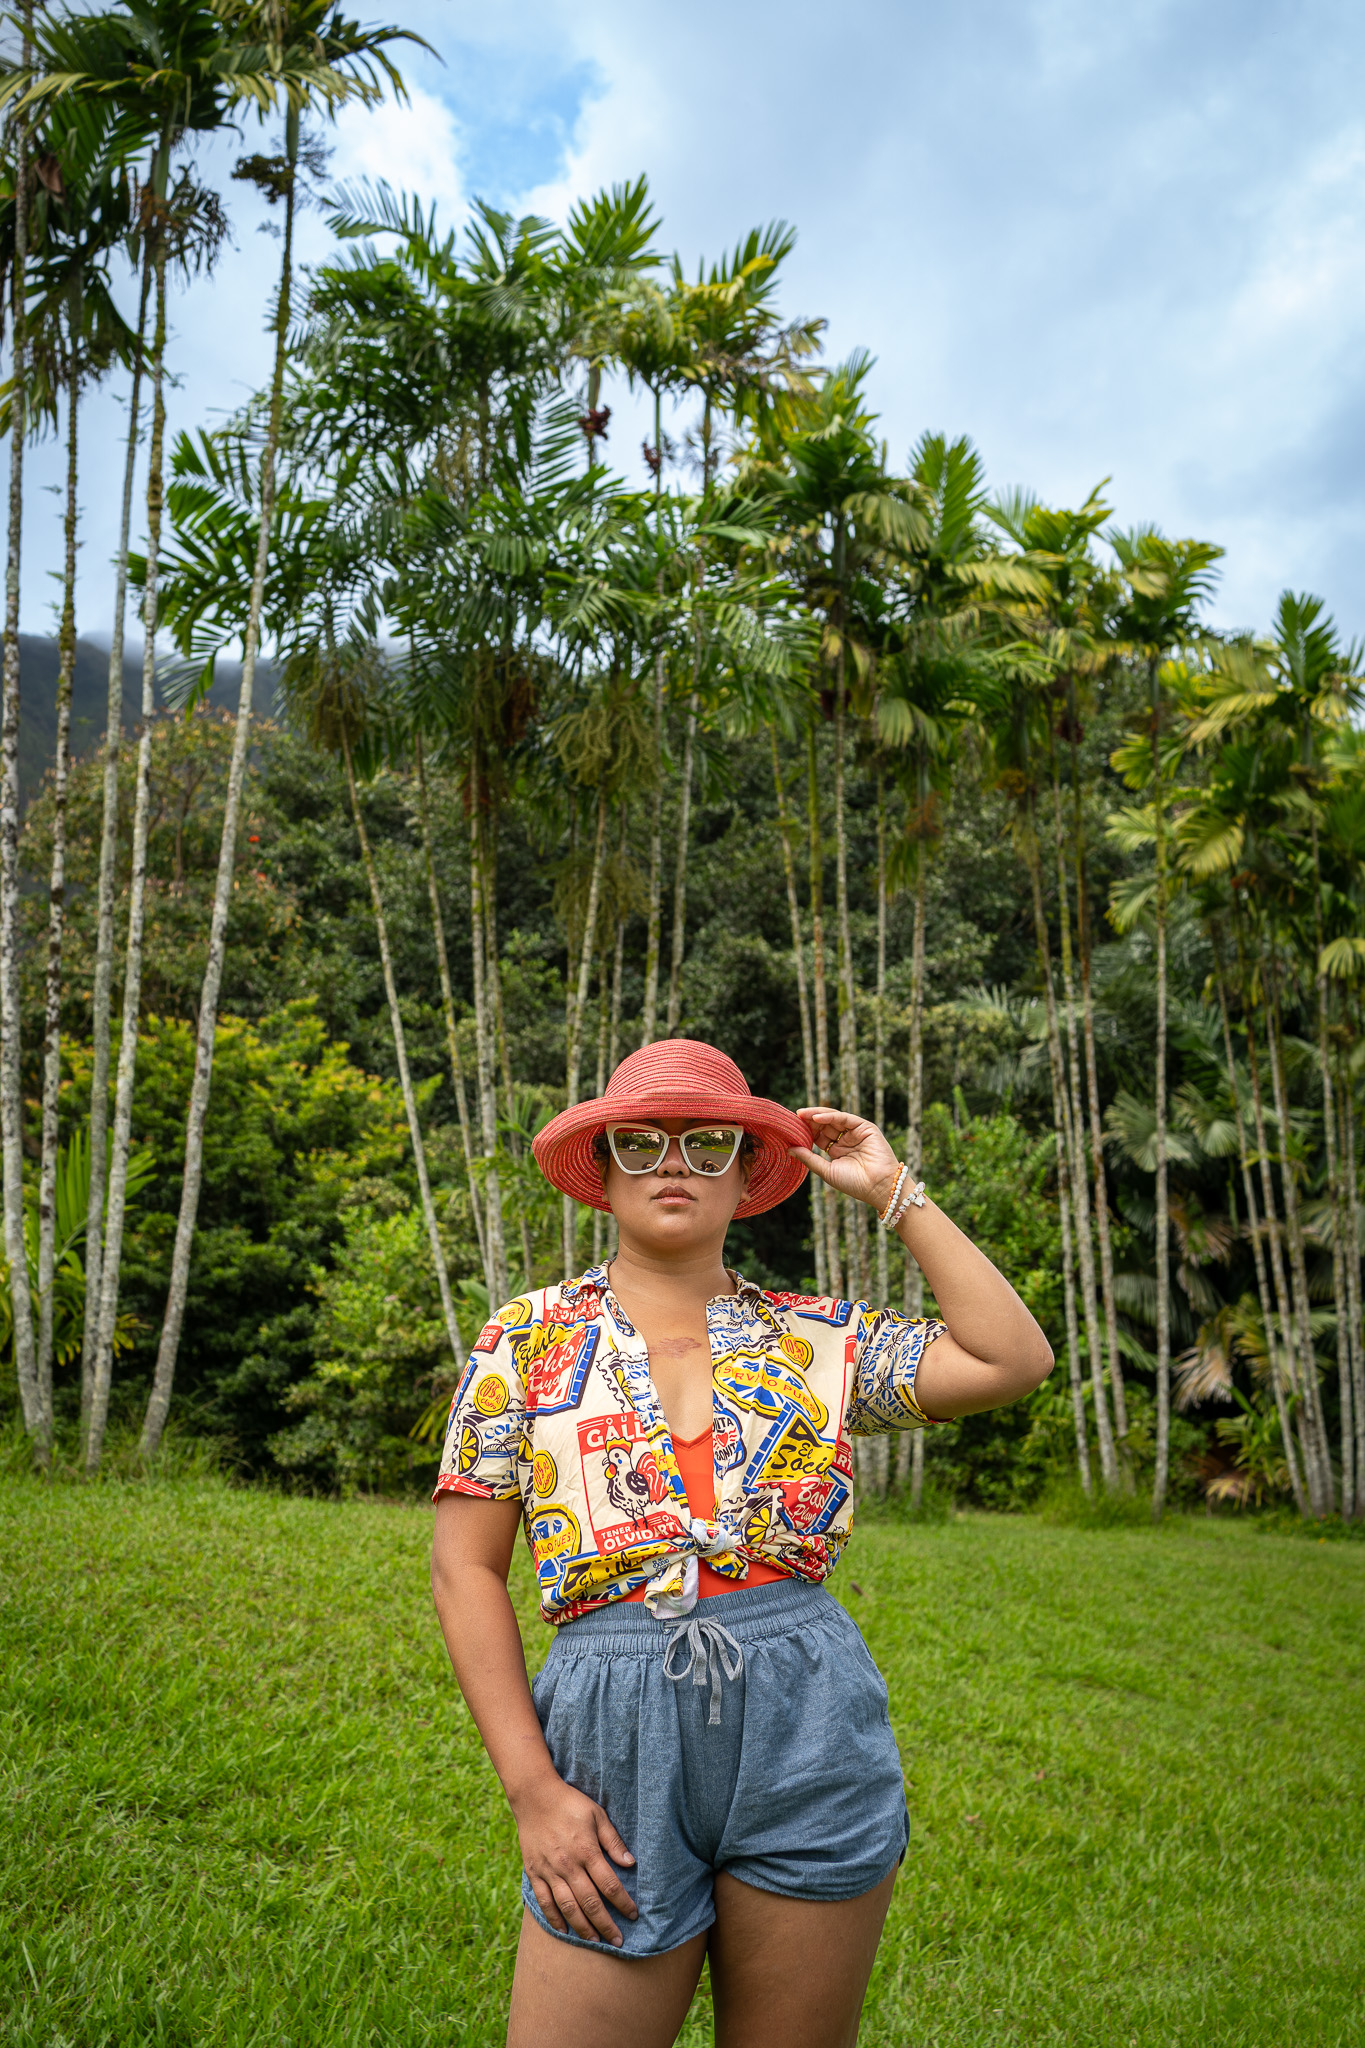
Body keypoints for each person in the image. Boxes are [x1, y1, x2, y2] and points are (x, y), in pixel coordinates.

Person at [431, 1040, 1053, 2048]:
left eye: (706, 1141)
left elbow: (1011, 1355)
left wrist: (894, 1190)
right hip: (612, 1724)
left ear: (744, 1172)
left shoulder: (816, 1339)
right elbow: (463, 1567)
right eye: (641, 1142)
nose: (672, 1160)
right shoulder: (527, 1338)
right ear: (605, 1171)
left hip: (806, 1715)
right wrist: (534, 1791)